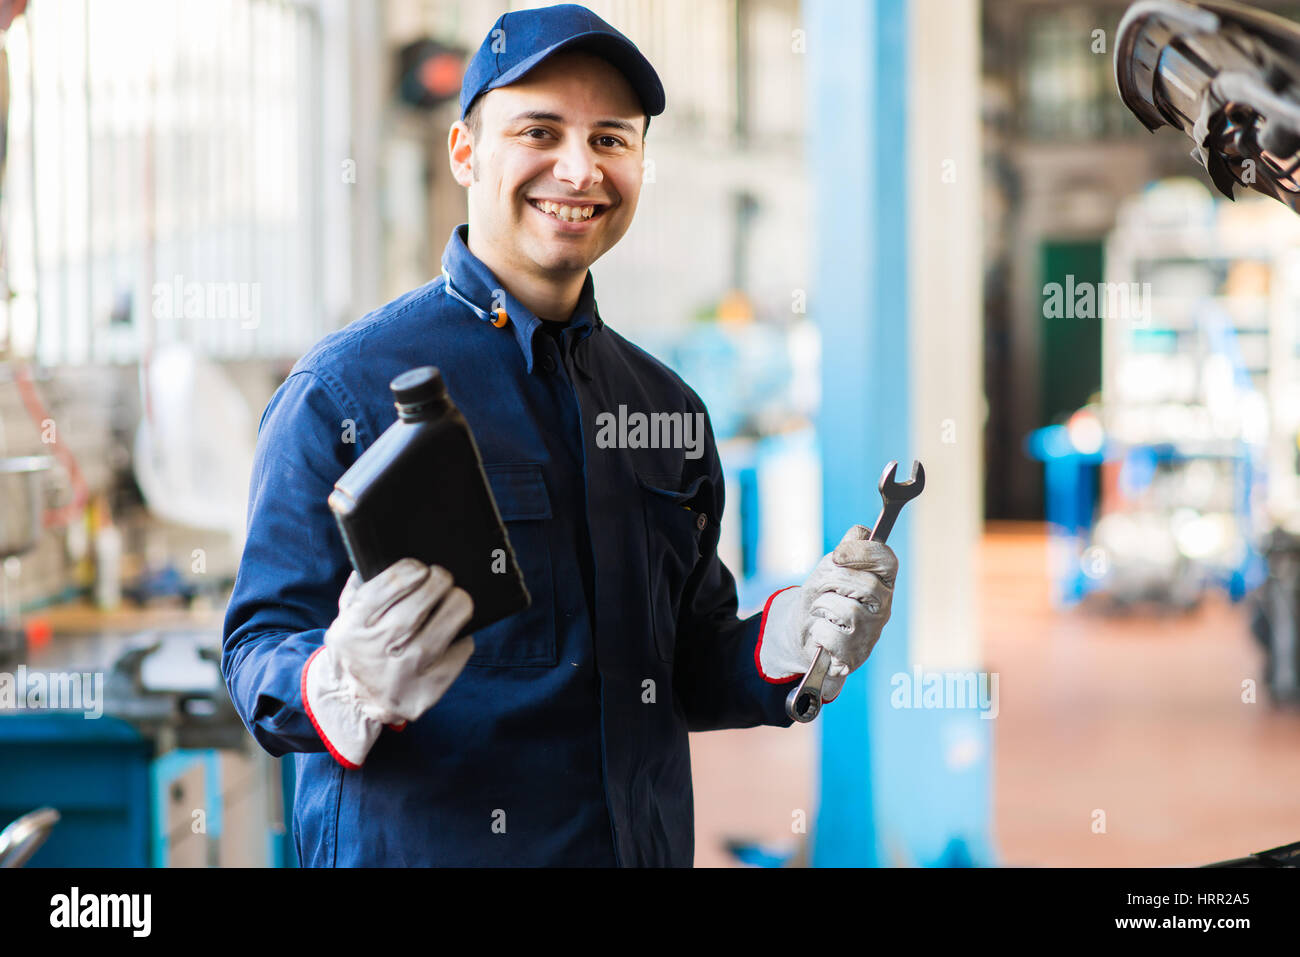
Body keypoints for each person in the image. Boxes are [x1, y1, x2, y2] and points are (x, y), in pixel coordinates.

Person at [221, 2, 898, 867]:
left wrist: (787, 636)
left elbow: (684, 660)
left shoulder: (669, 411)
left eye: (611, 139)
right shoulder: (343, 391)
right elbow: (256, 656)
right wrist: (338, 679)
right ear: (465, 151)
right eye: (539, 130)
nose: (578, 169)